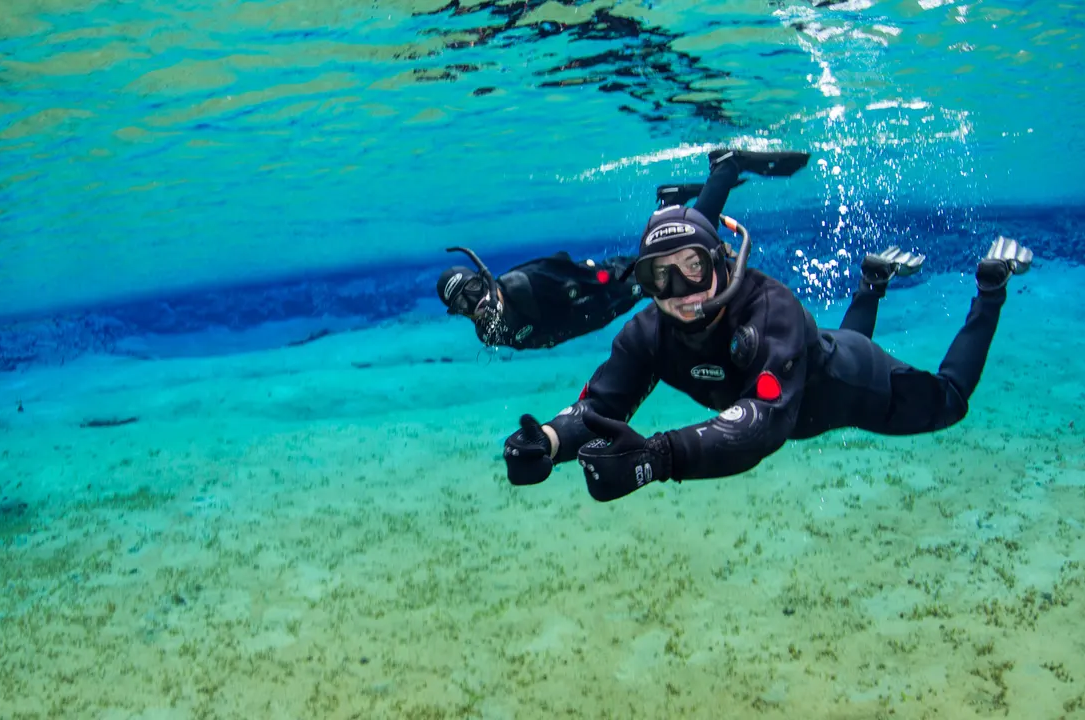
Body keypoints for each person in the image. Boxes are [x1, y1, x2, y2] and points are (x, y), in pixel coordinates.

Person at [500, 152, 1034, 502]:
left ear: (722, 261)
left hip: (852, 383)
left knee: (950, 400)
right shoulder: (647, 334)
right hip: (814, 361)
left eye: (693, 268)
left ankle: (990, 287)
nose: (681, 294)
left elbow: (763, 423)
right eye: (659, 279)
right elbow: (598, 407)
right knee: (841, 339)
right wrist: (545, 440)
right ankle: (871, 282)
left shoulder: (769, 308)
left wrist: (655, 459)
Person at [435, 148, 812, 350]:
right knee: (669, 254)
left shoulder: (520, 285)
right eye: (461, 306)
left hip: (603, 287)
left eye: (472, 292)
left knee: (683, 246)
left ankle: (725, 168)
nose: (475, 306)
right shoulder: (489, 333)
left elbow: (570, 270)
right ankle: (668, 202)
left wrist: (619, 278)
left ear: (483, 277)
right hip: (601, 309)